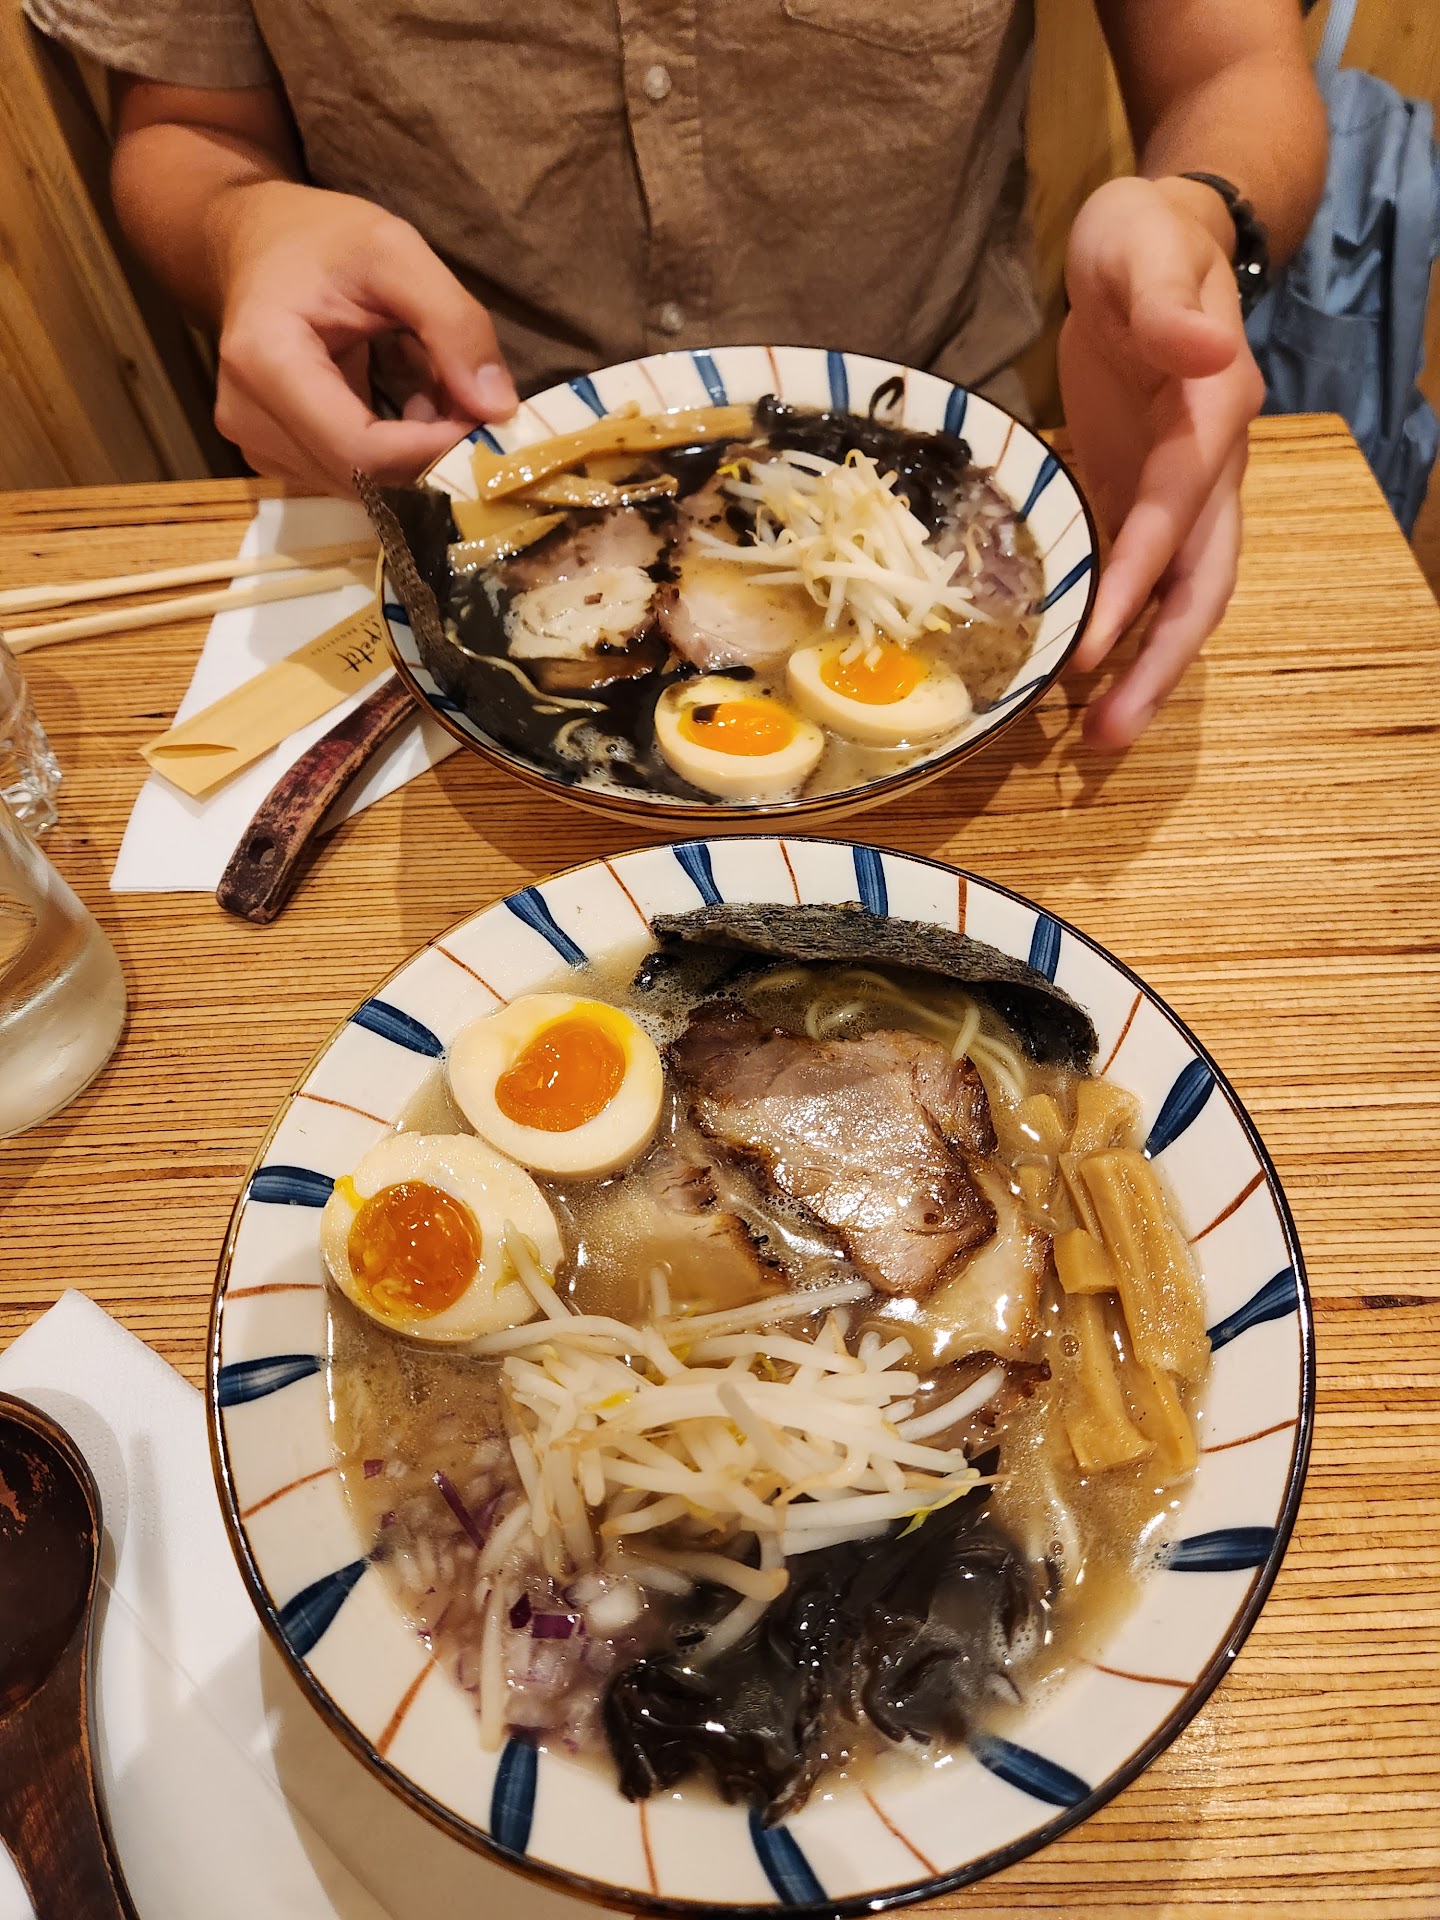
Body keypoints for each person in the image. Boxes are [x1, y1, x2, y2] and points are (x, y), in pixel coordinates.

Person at [27, 0, 1325, 747]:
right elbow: (188, 128)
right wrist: (242, 231)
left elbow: (1234, 65)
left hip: (951, 514)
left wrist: (1201, 217)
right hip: (443, 533)